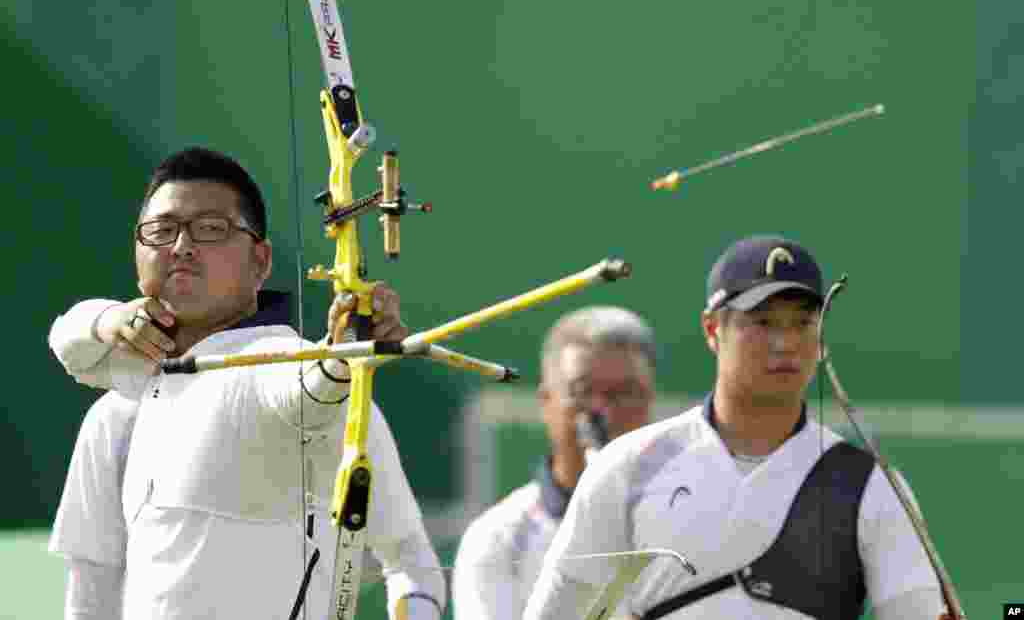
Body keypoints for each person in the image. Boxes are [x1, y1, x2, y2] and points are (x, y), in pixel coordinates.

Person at [48, 147, 445, 619]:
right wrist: (107, 318)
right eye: (162, 230)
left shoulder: (298, 376)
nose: (181, 247)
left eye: (211, 229)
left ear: (261, 261)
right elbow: (90, 591)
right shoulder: (116, 414)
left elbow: (412, 566)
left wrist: (342, 355)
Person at [523, 235, 946, 620]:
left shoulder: (871, 485)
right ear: (712, 329)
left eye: (802, 323)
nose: (785, 343)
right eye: (762, 322)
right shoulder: (629, 465)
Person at [453, 306, 657, 620]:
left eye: (625, 393)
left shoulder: (693, 512)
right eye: (583, 391)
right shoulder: (498, 541)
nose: (603, 412)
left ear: (649, 400)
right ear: (546, 401)